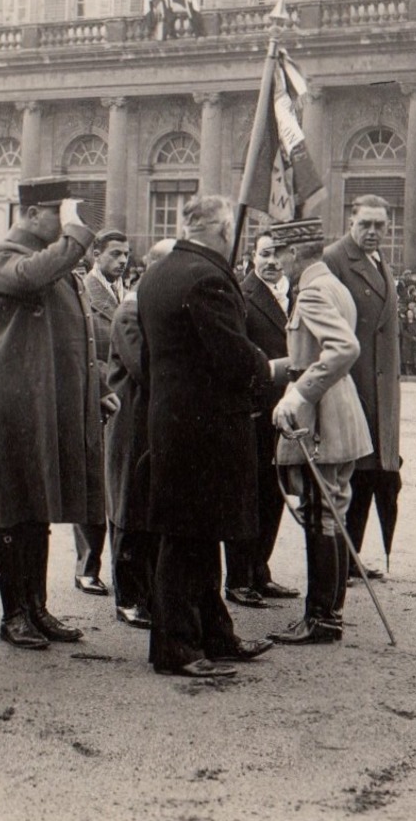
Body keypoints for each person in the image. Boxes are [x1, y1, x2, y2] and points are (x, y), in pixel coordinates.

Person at [136, 195, 274, 677]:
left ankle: (214, 634)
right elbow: (233, 358)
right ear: (219, 229)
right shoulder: (209, 278)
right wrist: (270, 369)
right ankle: (178, 648)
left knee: (196, 535)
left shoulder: (158, 272)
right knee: (187, 541)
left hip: (173, 423)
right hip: (208, 428)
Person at [0, 177, 104, 650]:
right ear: (30, 213)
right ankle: (14, 614)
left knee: (38, 511)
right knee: (13, 509)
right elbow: (30, 275)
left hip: (41, 402)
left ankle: (37, 607)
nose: (66, 221)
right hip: (12, 406)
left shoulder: (56, 261)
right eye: (57, 211)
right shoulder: (4, 254)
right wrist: (76, 234)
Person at [268, 217, 374, 645]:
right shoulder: (333, 284)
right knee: (331, 513)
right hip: (341, 412)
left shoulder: (311, 291)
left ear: (295, 253)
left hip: (322, 417)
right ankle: (328, 614)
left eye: (279, 253)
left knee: (319, 513)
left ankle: (321, 619)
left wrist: (299, 395)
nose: (276, 261)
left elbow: (344, 348)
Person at [322, 194, 401, 579]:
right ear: (350, 222)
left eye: (380, 225)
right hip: (353, 386)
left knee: (370, 475)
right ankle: (340, 559)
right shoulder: (335, 260)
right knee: (350, 474)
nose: (372, 232)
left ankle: (351, 558)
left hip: (380, 391)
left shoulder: (379, 261)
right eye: (365, 224)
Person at [222, 230, 299, 608]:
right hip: (255, 409)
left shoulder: (295, 293)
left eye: (279, 254)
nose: (272, 261)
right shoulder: (242, 294)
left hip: (288, 410)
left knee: (274, 493)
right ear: (253, 256)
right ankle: (238, 579)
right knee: (246, 495)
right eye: (265, 253)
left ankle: (259, 570)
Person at [104, 239, 174, 629]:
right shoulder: (130, 311)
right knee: (129, 507)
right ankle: (128, 597)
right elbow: (145, 367)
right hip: (132, 422)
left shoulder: (148, 307)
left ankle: (146, 592)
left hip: (150, 420)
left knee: (147, 506)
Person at [71, 229, 129, 597]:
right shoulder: (83, 292)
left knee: (119, 484)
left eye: (126, 254)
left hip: (126, 398)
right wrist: (99, 389)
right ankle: (86, 566)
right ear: (96, 254)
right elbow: (81, 350)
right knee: (94, 482)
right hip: (97, 397)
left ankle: (118, 565)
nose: (122, 261)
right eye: (115, 254)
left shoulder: (126, 291)